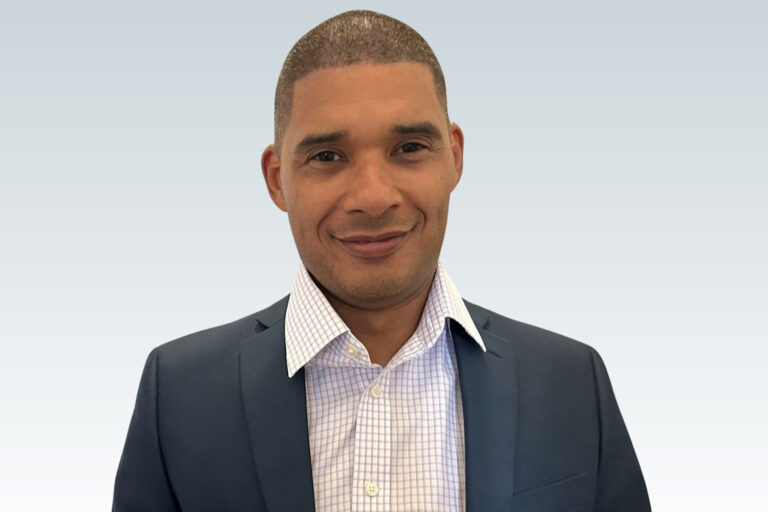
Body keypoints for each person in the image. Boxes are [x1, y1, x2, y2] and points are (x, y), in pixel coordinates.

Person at [112, 10, 651, 512]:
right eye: (327, 156)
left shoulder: (570, 382)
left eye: (409, 148)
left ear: (454, 157)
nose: (373, 196)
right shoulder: (180, 394)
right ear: (278, 179)